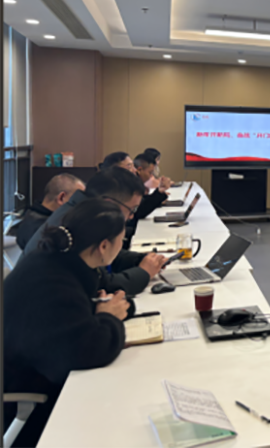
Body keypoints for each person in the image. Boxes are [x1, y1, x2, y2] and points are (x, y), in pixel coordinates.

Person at [4, 199, 132, 447]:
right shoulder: (53, 283)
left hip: (33, 371)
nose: (122, 245)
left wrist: (111, 309)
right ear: (104, 246)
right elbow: (86, 353)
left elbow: (72, 317)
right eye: (122, 240)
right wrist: (108, 318)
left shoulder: (55, 261)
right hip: (27, 403)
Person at [23, 167, 166, 295]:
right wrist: (144, 272)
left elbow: (106, 255)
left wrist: (141, 259)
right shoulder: (77, 223)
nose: (131, 216)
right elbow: (102, 285)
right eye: (132, 209)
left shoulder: (81, 210)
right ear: (109, 204)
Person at [15, 174, 85, 250]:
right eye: (77, 201)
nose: (81, 207)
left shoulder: (30, 218)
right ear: (62, 198)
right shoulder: (47, 231)